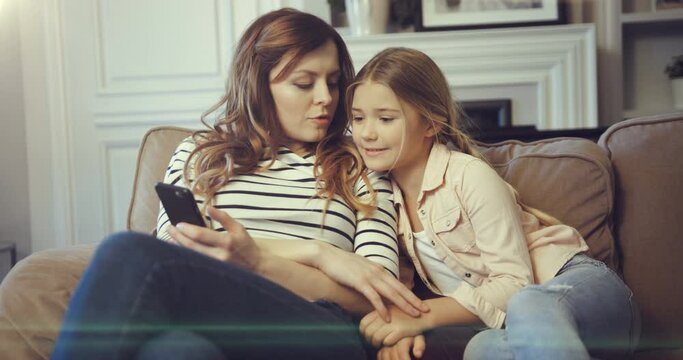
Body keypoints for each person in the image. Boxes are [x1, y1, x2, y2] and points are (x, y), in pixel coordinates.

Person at [51, 10, 429, 360]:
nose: (325, 99)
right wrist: (318, 253)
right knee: (176, 350)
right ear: (258, 85)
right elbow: (176, 254)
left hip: (316, 327)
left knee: (126, 251)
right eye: (303, 83)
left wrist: (260, 260)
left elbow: (378, 297)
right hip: (208, 318)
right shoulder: (199, 153)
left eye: (332, 83)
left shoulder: (359, 161)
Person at [348, 47, 640, 360]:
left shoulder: (468, 175)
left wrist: (421, 317)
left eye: (386, 118)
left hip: (582, 293)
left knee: (526, 302)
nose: (366, 133)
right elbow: (399, 291)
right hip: (519, 330)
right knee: (482, 348)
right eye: (358, 119)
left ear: (431, 123)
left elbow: (514, 284)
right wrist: (400, 330)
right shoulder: (383, 204)